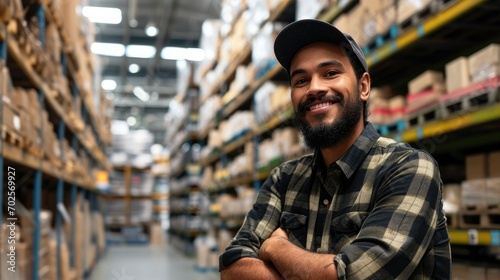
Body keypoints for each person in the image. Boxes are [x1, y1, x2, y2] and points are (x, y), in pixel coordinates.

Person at [219, 19, 451, 279]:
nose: (314, 88)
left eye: (330, 73)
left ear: (363, 87)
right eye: (301, 80)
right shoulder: (283, 179)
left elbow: (358, 275)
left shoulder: (408, 169)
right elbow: (232, 267)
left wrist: (276, 247)